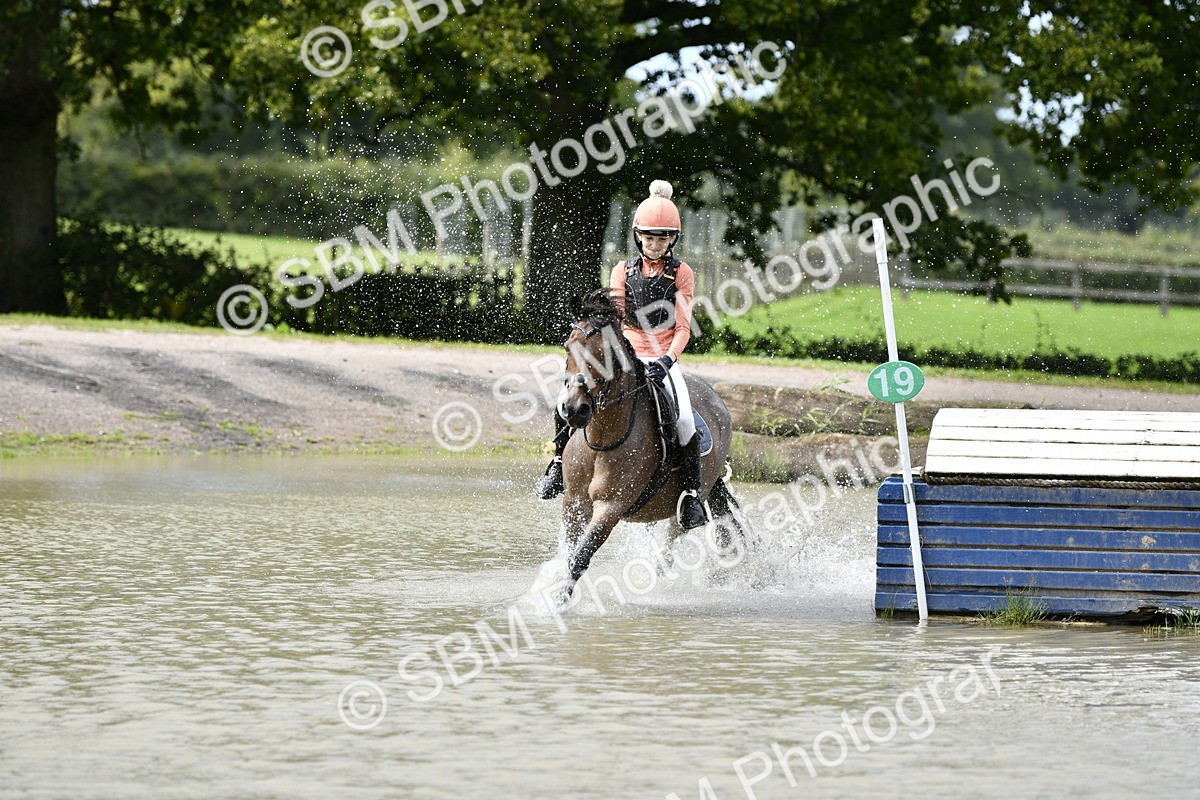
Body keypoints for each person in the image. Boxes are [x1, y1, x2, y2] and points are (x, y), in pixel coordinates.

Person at [535, 179, 708, 530]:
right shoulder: (622, 271)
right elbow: (617, 321)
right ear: (637, 236)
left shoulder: (682, 273)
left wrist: (666, 361)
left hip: (663, 359)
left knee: (685, 422)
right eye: (649, 238)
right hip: (625, 353)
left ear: (672, 240)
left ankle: (690, 495)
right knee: (567, 399)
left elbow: (683, 328)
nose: (655, 245)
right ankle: (557, 464)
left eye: (662, 239)